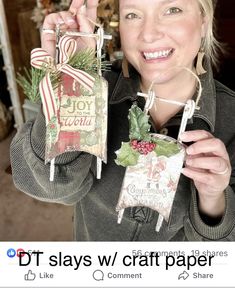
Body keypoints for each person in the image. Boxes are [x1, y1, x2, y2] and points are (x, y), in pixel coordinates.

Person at [11, 0, 235, 241]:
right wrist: (73, 83)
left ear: (204, 19)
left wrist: (213, 199)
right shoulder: (96, 92)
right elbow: (52, 188)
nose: (149, 34)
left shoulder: (230, 116)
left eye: (172, 10)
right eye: (132, 15)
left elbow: (220, 260)